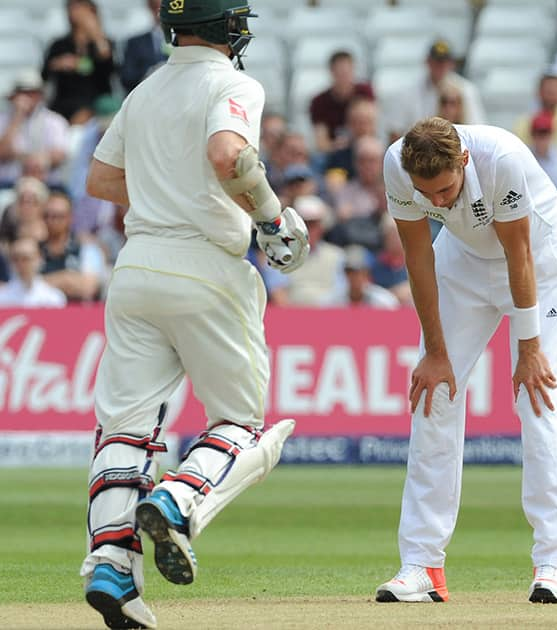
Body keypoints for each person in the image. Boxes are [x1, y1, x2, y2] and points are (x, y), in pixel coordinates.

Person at [78, 2, 305, 628]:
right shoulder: (234, 83)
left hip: (137, 267)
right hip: (206, 267)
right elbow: (231, 155)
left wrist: (165, 189)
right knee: (244, 426)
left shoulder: (146, 88)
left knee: (123, 432)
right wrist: (269, 218)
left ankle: (110, 567)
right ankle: (177, 501)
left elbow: (101, 178)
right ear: (229, 26)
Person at [377, 116, 557, 605]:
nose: (440, 201)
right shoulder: (397, 165)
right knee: (435, 396)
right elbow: (418, 256)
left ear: (463, 160)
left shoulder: (500, 157)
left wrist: (529, 348)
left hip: (540, 265)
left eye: (446, 190)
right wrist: (435, 351)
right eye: (431, 196)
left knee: (537, 399)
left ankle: (553, 563)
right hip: (463, 262)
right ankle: (422, 564)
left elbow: (520, 254)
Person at [41, 0, 116, 123]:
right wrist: (59, 64)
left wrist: (96, 33)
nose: (74, 12)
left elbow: (109, 69)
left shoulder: (103, 43)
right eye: (71, 7)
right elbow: (44, 74)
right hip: (64, 102)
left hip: (94, 101)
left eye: (79, 7)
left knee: (84, 115)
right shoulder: (59, 45)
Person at [0, 69, 70, 186]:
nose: (27, 97)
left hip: (46, 184)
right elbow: (2, 152)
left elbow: (60, 155)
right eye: (22, 92)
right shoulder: (3, 120)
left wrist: (30, 160)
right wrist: (17, 117)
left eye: (32, 92)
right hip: (9, 183)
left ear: (40, 95)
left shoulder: (55, 121)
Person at [308, 50, 374, 155]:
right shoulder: (319, 102)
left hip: (363, 148)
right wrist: (337, 146)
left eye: (347, 71)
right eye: (340, 72)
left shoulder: (364, 92)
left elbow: (371, 125)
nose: (344, 76)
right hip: (334, 153)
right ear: (332, 72)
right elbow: (321, 141)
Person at [0, 237, 67, 308]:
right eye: (16, 259)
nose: (21, 264)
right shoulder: (2, 297)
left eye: (26, 259)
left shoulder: (54, 298)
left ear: (39, 259)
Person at [120, 0, 169, 93]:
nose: (160, 11)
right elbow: (126, 77)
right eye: (156, 7)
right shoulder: (135, 42)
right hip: (147, 94)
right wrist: (149, 73)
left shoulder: (185, 38)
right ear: (149, 7)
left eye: (164, 7)